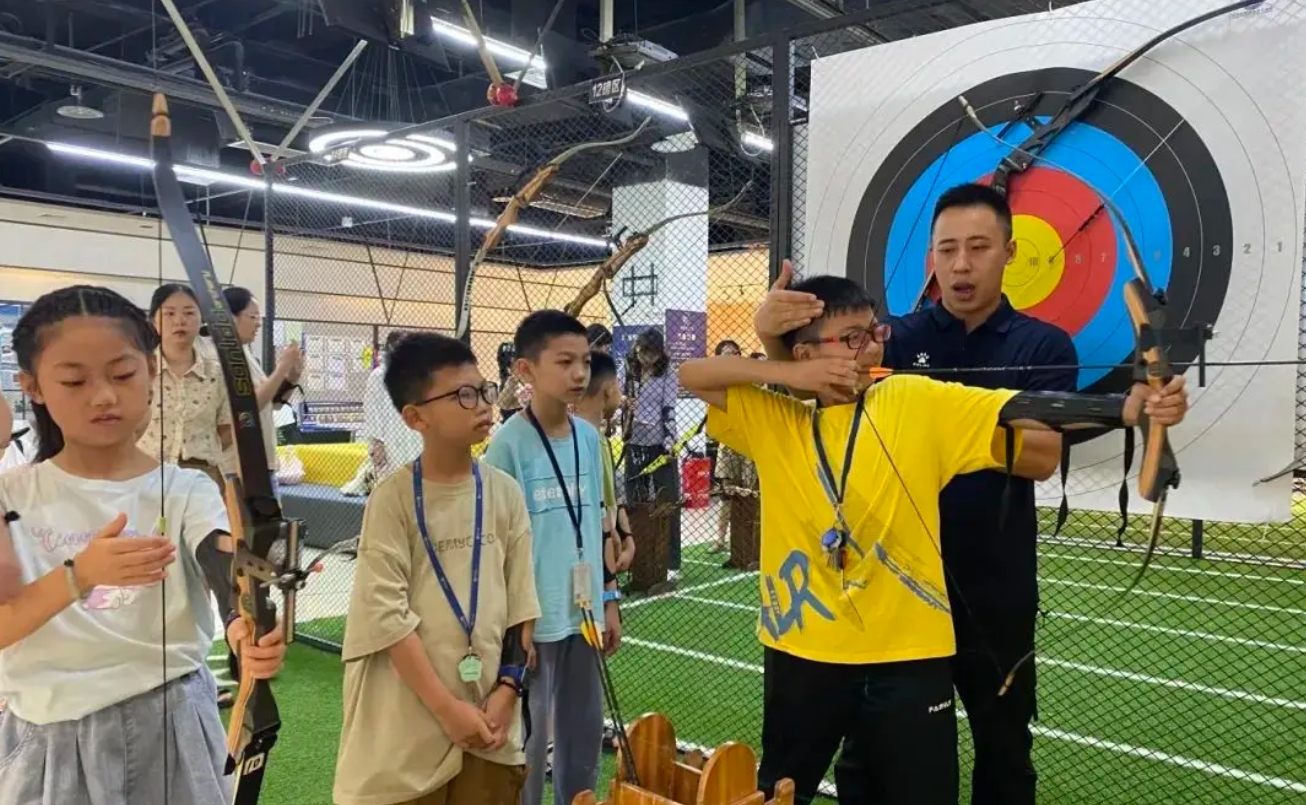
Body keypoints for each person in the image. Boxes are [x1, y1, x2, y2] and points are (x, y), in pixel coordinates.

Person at [680, 274, 1188, 805]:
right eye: (851, 338)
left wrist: (1126, 409)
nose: (870, 347)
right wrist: (788, 372)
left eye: (873, 332)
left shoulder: (909, 397)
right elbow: (693, 374)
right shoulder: (775, 419)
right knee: (783, 788)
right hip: (801, 650)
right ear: (806, 353)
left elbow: (1016, 407)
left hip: (909, 656)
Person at [0, 285, 285, 804]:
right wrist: (80, 574)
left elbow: (217, 555)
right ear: (32, 387)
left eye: (122, 374)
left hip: (172, 725)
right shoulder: (11, 494)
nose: (103, 396)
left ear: (151, 372)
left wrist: (243, 620)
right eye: (74, 380)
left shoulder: (186, 489)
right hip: (48, 736)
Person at [333, 333, 538, 805]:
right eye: (463, 395)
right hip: (408, 731)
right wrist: (446, 708)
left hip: (490, 724)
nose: (482, 404)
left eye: (483, 390)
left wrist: (508, 689)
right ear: (415, 417)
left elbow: (521, 603)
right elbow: (386, 617)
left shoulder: (504, 493)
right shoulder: (392, 500)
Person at [483, 310, 621, 805]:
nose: (580, 374)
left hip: (583, 614)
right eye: (565, 362)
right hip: (533, 624)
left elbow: (598, 526)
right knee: (528, 738)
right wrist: (515, 626)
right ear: (525, 370)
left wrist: (609, 598)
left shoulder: (590, 439)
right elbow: (496, 549)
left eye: (585, 361)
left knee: (582, 734)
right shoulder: (507, 447)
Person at [138, 284, 234, 491]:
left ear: (201, 319)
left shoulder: (217, 373)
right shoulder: (139, 370)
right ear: (154, 321)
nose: (179, 321)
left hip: (203, 478)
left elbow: (226, 429)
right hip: (147, 476)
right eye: (169, 313)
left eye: (189, 313)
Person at [218, 288, 302, 495]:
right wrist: (282, 368)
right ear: (231, 318)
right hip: (238, 467)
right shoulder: (222, 357)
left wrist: (291, 377)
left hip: (262, 461)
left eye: (259, 317)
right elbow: (247, 408)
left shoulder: (245, 353)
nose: (258, 323)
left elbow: (271, 403)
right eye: (253, 317)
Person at [624, 328, 682, 580]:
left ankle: (671, 562)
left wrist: (670, 440)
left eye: (652, 355)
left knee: (667, 500)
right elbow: (616, 398)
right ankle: (637, 559)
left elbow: (669, 408)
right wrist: (624, 403)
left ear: (660, 354)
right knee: (634, 501)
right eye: (643, 354)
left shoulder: (668, 372)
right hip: (633, 441)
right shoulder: (627, 369)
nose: (647, 360)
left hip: (661, 444)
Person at [573, 351, 634, 577]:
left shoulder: (599, 439)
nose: (621, 394)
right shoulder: (581, 442)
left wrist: (626, 537)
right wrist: (611, 536)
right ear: (608, 389)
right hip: (592, 551)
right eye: (618, 385)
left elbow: (611, 497)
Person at [709, 339, 755, 554]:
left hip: (748, 440)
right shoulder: (715, 382)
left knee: (749, 491)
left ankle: (747, 539)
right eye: (727, 353)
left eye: (736, 352)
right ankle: (720, 539)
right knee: (726, 493)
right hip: (727, 442)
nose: (733, 356)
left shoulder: (747, 378)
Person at [362, 330, 424, 481]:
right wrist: (377, 442)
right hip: (388, 438)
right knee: (390, 480)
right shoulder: (379, 376)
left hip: (411, 436)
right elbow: (372, 410)